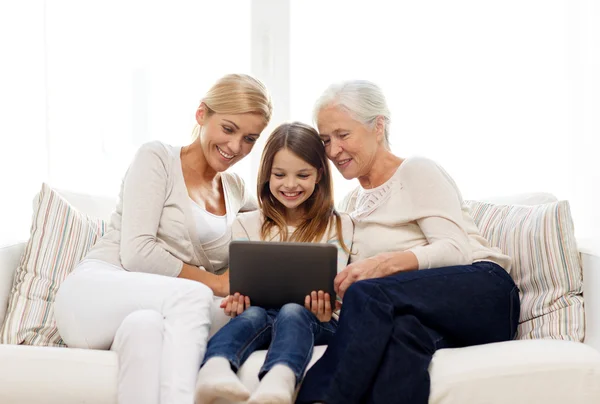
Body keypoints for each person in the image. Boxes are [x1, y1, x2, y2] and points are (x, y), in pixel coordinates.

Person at [295, 80, 520, 404]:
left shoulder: (415, 171)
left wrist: (381, 265)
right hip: (426, 314)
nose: (332, 151)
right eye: (326, 140)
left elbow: (455, 249)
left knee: (369, 293)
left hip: (485, 294)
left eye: (343, 135)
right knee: (401, 337)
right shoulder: (351, 203)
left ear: (378, 126)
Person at [53, 74, 272, 404]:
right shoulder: (157, 159)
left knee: (146, 330)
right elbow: (138, 253)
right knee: (195, 296)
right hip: (94, 294)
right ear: (202, 115)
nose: (235, 147)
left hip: (143, 311)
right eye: (228, 129)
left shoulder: (236, 189)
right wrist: (217, 283)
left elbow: (282, 215)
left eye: (249, 138)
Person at [194, 122, 354, 404]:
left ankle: (278, 382)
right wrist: (237, 300)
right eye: (280, 175)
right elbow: (241, 284)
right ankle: (214, 369)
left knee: (292, 311)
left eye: (302, 175)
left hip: (318, 321)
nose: (290, 185)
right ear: (267, 176)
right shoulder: (246, 224)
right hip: (261, 316)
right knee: (254, 314)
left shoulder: (340, 225)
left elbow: (340, 285)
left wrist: (329, 304)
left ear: (319, 175)